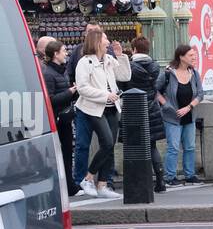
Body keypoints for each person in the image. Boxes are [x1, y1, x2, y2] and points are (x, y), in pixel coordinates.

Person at [73, 27, 131, 200]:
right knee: (106, 142)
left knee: (110, 145)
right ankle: (88, 177)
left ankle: (103, 184)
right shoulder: (85, 62)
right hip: (93, 108)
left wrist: (120, 56)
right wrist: (106, 95)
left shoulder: (108, 59)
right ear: (97, 42)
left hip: (112, 107)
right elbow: (82, 88)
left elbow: (125, 76)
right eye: (105, 39)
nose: (108, 42)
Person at [120, 37, 166, 193]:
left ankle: (137, 180)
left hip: (134, 109)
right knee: (152, 146)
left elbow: (123, 86)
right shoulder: (155, 66)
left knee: (133, 146)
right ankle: (160, 180)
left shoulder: (130, 67)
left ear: (134, 50)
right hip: (152, 109)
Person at [156, 44, 204, 187]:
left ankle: (190, 175)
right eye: (190, 55)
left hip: (189, 116)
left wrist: (189, 107)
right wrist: (166, 105)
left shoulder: (194, 74)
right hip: (172, 117)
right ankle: (170, 176)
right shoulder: (168, 74)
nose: (194, 57)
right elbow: (155, 91)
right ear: (181, 57)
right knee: (173, 147)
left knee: (190, 146)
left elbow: (201, 94)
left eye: (194, 54)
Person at [41, 40, 79, 196]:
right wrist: (70, 92)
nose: (66, 53)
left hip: (64, 118)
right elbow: (50, 100)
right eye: (63, 51)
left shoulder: (59, 71)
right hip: (58, 119)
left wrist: (74, 91)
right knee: (63, 153)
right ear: (55, 54)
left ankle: (69, 185)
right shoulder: (49, 73)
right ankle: (68, 187)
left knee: (67, 152)